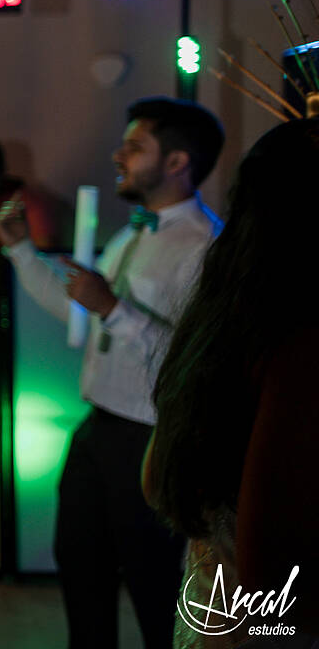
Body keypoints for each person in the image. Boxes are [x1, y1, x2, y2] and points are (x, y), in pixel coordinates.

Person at [0, 97, 224, 649]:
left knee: (155, 593)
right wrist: (23, 252)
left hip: (153, 440)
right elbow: (83, 316)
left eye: (135, 145)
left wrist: (112, 309)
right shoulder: (131, 235)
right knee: (81, 576)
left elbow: (196, 362)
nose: (118, 154)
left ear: (176, 162)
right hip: (96, 432)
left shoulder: (205, 248)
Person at [145, 118, 319, 647]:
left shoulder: (222, 310)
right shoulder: (301, 343)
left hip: (211, 607)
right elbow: (271, 577)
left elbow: (156, 480)